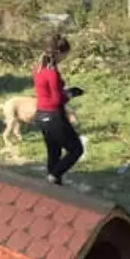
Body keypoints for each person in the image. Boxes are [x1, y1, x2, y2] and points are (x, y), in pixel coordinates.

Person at [33, 34, 84, 186]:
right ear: (58, 53)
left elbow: (47, 93)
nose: (66, 57)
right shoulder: (52, 73)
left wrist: (63, 91)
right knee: (76, 150)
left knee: (54, 153)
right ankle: (54, 176)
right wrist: (70, 94)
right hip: (54, 116)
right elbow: (55, 100)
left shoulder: (38, 68)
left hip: (41, 115)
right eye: (65, 53)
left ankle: (53, 187)